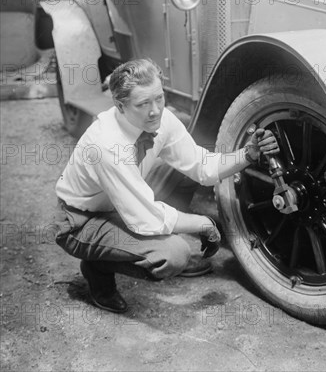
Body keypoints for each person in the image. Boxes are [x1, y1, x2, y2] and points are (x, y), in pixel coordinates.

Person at [53, 58, 279, 313]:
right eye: (143, 104)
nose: (155, 110)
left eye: (159, 98)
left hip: (120, 204)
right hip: (81, 220)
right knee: (174, 255)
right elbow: (144, 219)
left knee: (183, 172)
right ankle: (98, 267)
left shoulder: (160, 118)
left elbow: (202, 166)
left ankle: (133, 247)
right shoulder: (106, 144)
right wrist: (203, 223)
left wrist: (248, 154)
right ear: (120, 105)